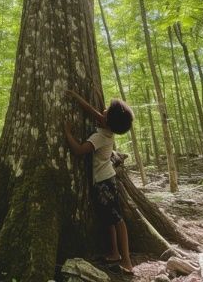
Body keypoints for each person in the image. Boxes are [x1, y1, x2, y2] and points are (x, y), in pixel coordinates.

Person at [64, 89, 136, 275]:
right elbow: (90, 109)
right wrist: (76, 95)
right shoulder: (107, 127)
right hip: (107, 180)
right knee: (108, 219)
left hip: (104, 184)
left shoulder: (100, 137)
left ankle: (126, 260)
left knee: (117, 219)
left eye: (105, 112)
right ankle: (114, 253)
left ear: (107, 121)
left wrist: (67, 133)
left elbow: (79, 150)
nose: (101, 110)